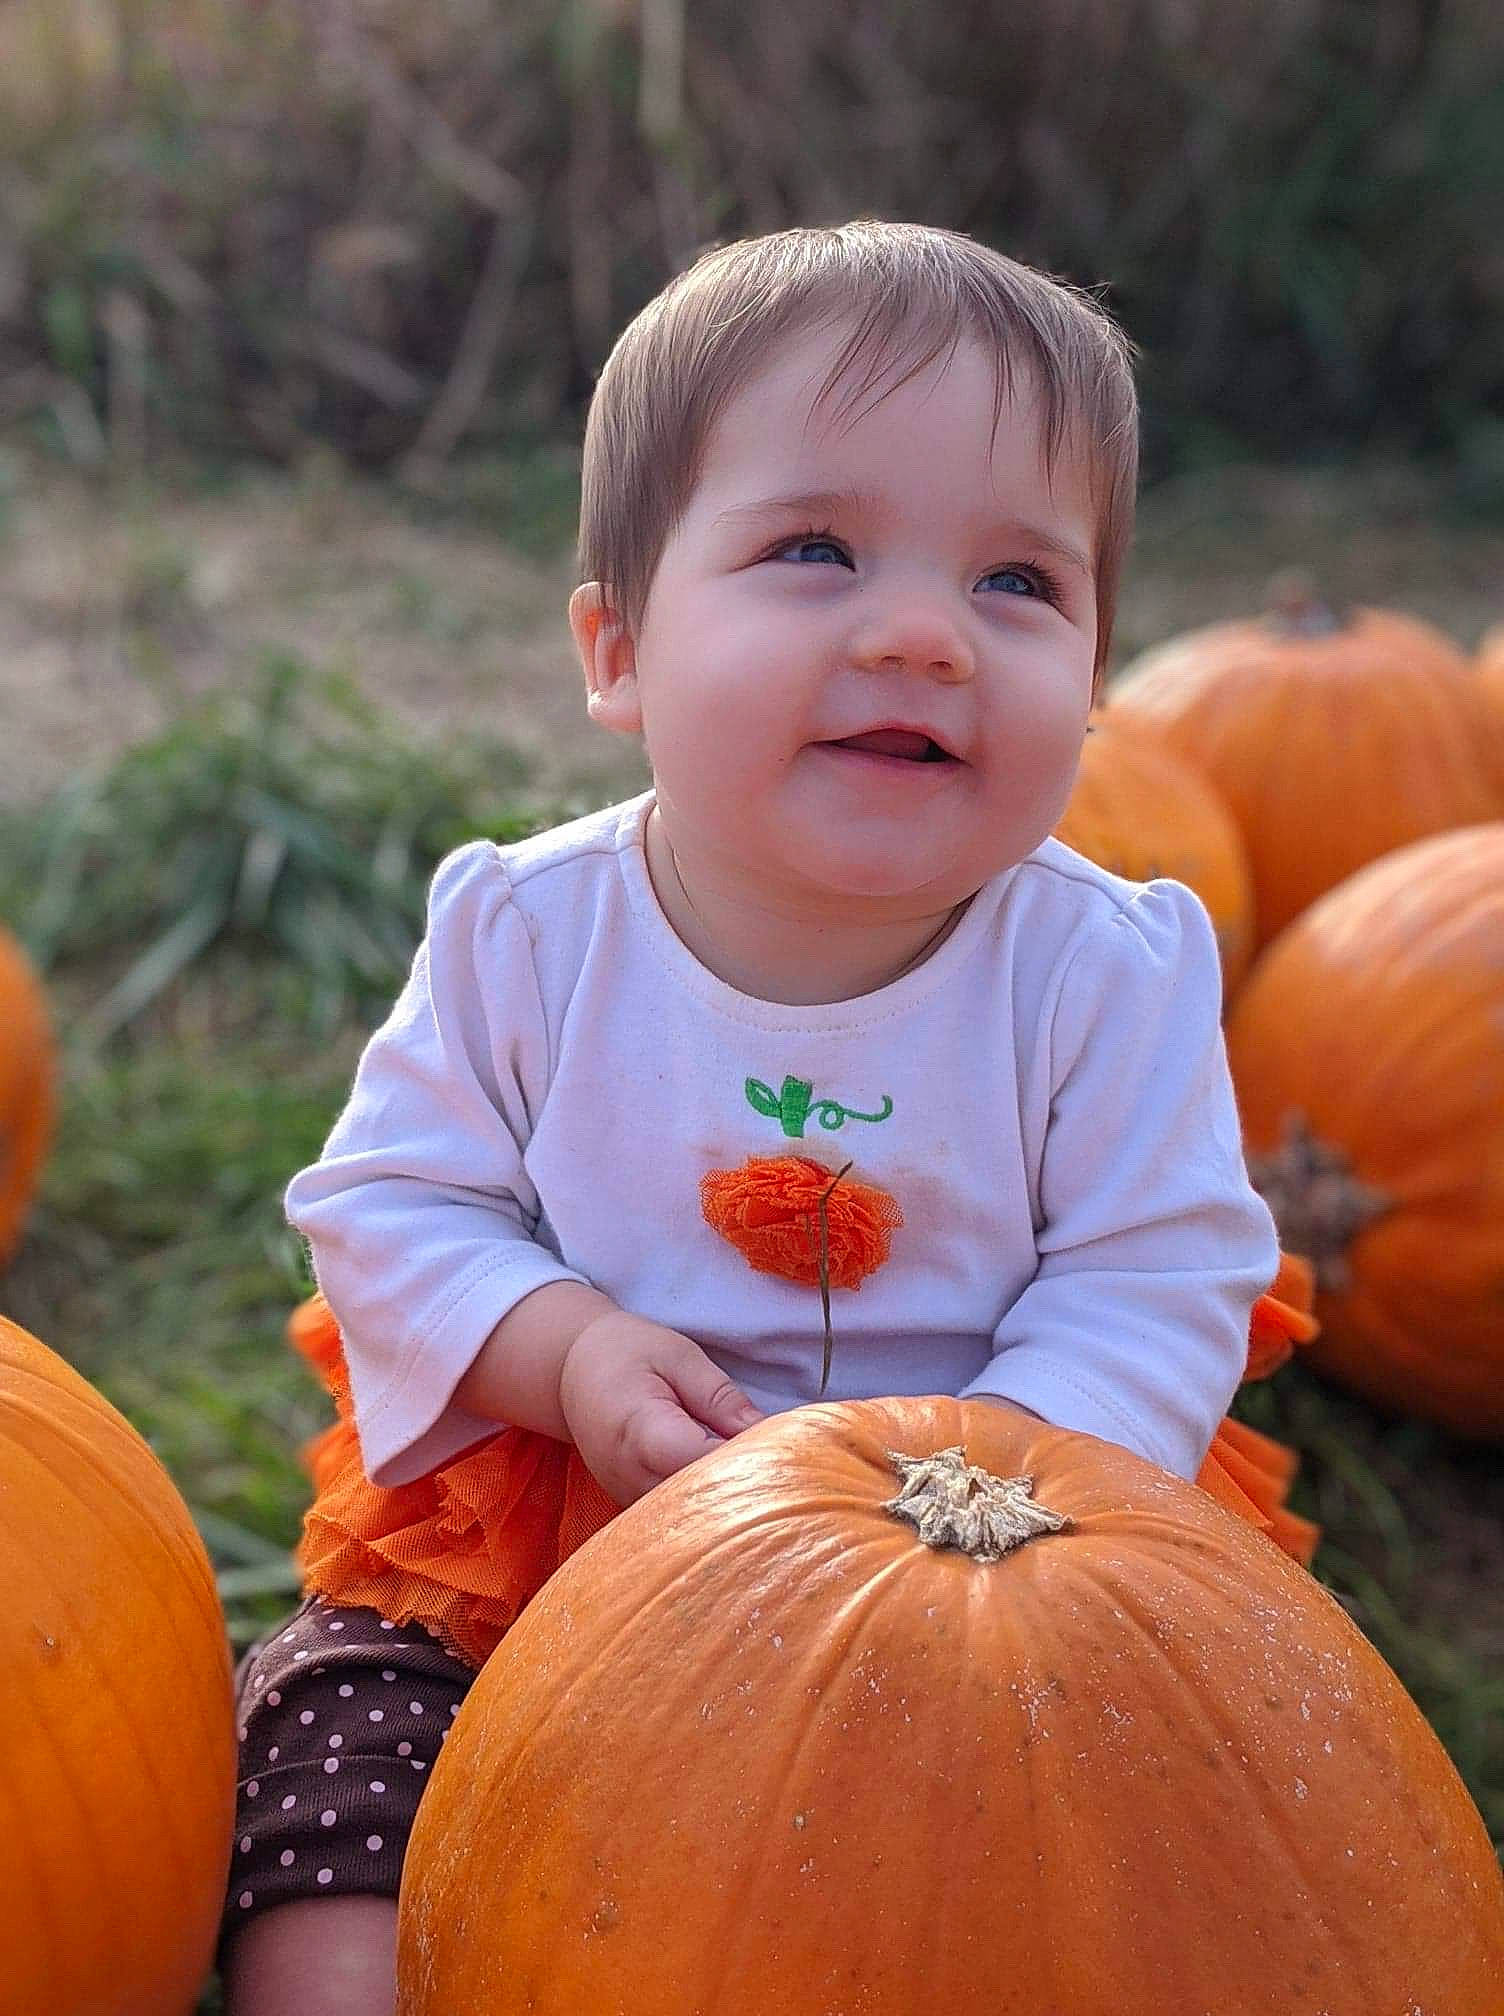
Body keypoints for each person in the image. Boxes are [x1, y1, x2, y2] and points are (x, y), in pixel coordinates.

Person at [219, 219, 1292, 2015]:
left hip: (993, 1580)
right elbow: (390, 1206)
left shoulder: (1108, 971)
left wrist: (988, 1494)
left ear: (1099, 675)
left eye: (1018, 583)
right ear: (619, 649)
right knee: (346, 1768)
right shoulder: (525, 932)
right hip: (564, 1544)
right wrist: (566, 1351)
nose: (925, 636)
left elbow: (1158, 1276)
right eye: (815, 551)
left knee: (1143, 1858)